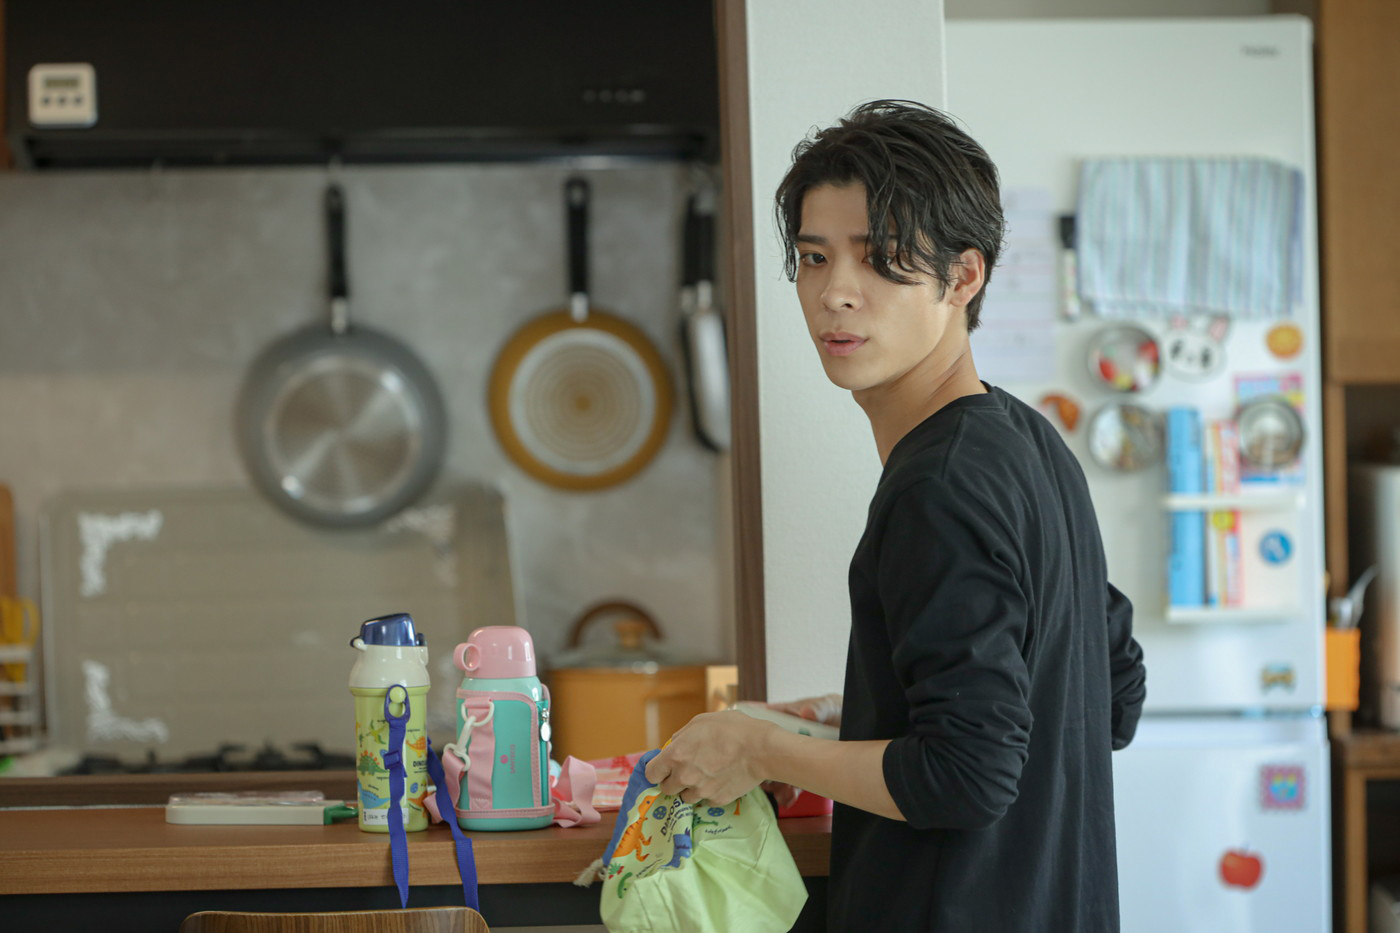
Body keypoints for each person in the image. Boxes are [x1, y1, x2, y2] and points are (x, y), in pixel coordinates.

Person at [643, 99, 1148, 931]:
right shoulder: (1027, 441)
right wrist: (860, 713)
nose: (835, 293)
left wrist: (759, 748)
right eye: (814, 257)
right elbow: (1108, 689)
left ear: (963, 277)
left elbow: (970, 775)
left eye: (880, 259)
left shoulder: (937, 486)